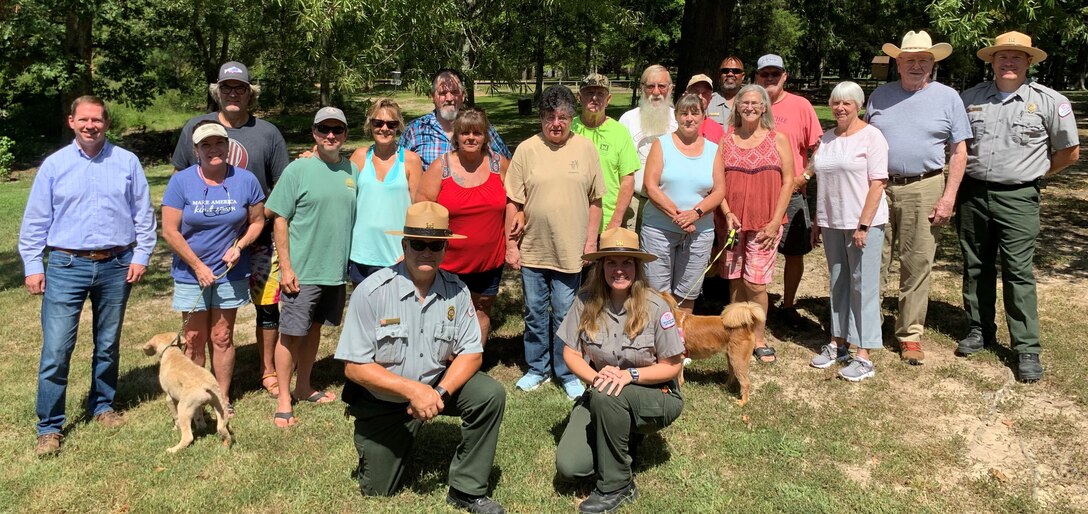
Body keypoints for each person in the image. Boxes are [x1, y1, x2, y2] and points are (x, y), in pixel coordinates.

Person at [335, 201, 506, 514]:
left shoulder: (457, 291)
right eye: (418, 243)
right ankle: (387, 442)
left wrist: (436, 394)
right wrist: (413, 391)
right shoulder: (372, 292)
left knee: (489, 394)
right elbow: (355, 367)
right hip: (383, 401)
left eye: (435, 244)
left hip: (435, 385)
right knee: (379, 491)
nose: (427, 251)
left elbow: (471, 353)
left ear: (445, 248)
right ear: (404, 244)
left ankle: (467, 489)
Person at [19, 96, 157, 456]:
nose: (90, 125)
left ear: (107, 123)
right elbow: (35, 220)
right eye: (84, 119)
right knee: (57, 349)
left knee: (108, 344)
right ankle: (49, 426)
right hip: (66, 265)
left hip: (116, 265)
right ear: (71, 122)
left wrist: (140, 255)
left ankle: (103, 406)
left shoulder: (127, 162)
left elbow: (143, 214)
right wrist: (33, 265)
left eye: (97, 120)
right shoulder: (54, 166)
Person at [955, 32, 1080, 381]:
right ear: (992, 61)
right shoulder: (970, 98)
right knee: (976, 265)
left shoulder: (1049, 101)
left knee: (1018, 271)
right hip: (973, 195)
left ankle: (1026, 347)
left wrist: (1035, 174)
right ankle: (980, 330)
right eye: (1002, 57)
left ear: (1029, 62)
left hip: (1019, 198)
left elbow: (1069, 152)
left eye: (1016, 57)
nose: (1008, 63)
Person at [172, 60, 291, 398]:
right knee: (205, 327)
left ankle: (267, 371)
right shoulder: (195, 127)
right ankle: (197, 385)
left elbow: (281, 186)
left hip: (259, 238)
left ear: (250, 93)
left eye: (240, 88)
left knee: (267, 306)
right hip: (209, 243)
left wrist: (253, 221)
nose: (233, 94)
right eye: (227, 88)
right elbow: (182, 182)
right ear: (218, 92)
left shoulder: (267, 133)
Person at [554, 227, 684, 514]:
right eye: (611, 262)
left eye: (627, 262)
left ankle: (617, 485)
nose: (619, 270)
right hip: (604, 390)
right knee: (571, 467)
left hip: (656, 393)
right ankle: (621, 436)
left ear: (637, 266)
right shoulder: (585, 300)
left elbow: (671, 366)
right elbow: (571, 353)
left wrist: (630, 376)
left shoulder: (655, 306)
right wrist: (597, 378)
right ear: (601, 267)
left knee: (607, 397)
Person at [867, 30, 971, 365]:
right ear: (898, 63)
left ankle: (909, 335)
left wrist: (948, 197)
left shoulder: (948, 98)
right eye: (910, 59)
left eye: (923, 60)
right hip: (880, 186)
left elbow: (959, 151)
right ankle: (868, 328)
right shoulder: (880, 96)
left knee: (917, 262)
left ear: (932, 63)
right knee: (873, 259)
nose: (916, 65)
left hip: (925, 186)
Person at [506, 85, 605, 400]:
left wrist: (592, 240)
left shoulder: (586, 149)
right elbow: (513, 201)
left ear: (571, 119)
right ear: (541, 118)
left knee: (565, 313)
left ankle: (567, 371)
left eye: (563, 117)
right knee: (534, 312)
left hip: (570, 249)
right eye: (550, 116)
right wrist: (510, 244)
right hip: (534, 248)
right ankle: (537, 368)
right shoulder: (526, 150)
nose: (556, 124)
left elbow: (595, 201)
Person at [162, 121, 266, 411]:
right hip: (190, 272)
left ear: (228, 146)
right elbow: (170, 230)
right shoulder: (181, 182)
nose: (213, 150)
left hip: (228, 273)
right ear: (195, 150)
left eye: (219, 143)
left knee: (222, 337)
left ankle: (222, 397)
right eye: (205, 145)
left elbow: (257, 221)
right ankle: (195, 396)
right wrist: (197, 266)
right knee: (194, 339)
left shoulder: (246, 180)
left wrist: (239, 246)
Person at [265, 107, 358, 427]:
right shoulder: (298, 170)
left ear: (345, 134)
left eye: (337, 130)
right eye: (323, 129)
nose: (330, 135)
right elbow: (278, 218)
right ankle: (283, 399)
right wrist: (286, 267)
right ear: (314, 133)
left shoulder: (351, 171)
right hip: (301, 271)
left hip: (334, 271)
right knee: (290, 334)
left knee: (315, 329)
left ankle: (304, 385)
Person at [808, 82, 890, 382]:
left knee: (863, 286)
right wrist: (818, 221)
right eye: (836, 103)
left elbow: (878, 183)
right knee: (838, 282)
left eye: (847, 103)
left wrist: (864, 225)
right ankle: (838, 342)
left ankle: (864, 354)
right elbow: (821, 181)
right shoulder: (827, 139)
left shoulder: (872, 137)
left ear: (859, 106)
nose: (840, 108)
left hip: (862, 224)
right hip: (832, 222)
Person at [418, 107, 513, 346]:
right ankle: (443, 362)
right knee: (445, 312)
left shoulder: (498, 164)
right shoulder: (441, 167)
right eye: (465, 133)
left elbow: (516, 199)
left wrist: (519, 215)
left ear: (485, 137)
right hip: (449, 261)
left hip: (489, 259)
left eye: (477, 133)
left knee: (481, 308)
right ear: (456, 136)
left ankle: (473, 362)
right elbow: (422, 203)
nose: (471, 138)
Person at [717, 84, 795, 363]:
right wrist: (726, 212)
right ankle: (737, 335)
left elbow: (788, 182)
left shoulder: (778, 139)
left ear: (764, 107)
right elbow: (719, 184)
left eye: (755, 103)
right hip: (733, 224)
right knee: (735, 280)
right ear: (736, 107)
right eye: (744, 102)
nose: (749, 107)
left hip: (765, 223)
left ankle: (759, 337)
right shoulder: (726, 140)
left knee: (756, 283)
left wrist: (775, 221)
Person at [753, 54, 822, 325]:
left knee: (793, 252)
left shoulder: (800, 106)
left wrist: (804, 175)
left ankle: (789, 304)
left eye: (775, 74)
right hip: (757, 194)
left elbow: (820, 147)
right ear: (757, 77)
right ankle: (757, 303)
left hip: (791, 192)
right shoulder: (751, 104)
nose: (769, 79)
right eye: (764, 74)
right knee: (755, 249)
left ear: (785, 76)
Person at [641, 93, 725, 315]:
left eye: (694, 113)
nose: (689, 118)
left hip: (699, 232)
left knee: (688, 291)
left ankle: (680, 343)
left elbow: (719, 191)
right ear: (676, 116)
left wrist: (695, 214)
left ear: (703, 117)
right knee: (656, 292)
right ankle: (657, 345)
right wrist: (678, 216)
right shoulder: (662, 144)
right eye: (683, 113)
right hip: (659, 230)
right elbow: (650, 186)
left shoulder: (713, 150)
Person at [347, 98, 423, 284]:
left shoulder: (411, 160)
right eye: (378, 122)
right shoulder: (359, 157)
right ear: (370, 125)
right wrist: (313, 156)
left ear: (398, 127)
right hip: (361, 255)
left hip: (396, 256)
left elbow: (419, 209)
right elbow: (341, 195)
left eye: (391, 123)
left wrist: (411, 250)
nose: (384, 128)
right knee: (365, 310)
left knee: (394, 312)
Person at [400, 69, 512, 168]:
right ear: (433, 97)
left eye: (454, 92)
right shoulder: (414, 130)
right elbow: (397, 168)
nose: (449, 98)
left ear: (463, 95)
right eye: (443, 93)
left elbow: (508, 163)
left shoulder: (481, 127)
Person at [572, 73, 640, 232]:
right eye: (589, 93)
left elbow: (628, 181)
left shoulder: (619, 132)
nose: (595, 98)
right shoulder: (569, 128)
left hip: (607, 221)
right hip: (573, 219)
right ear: (579, 97)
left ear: (608, 99)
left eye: (600, 94)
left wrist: (616, 221)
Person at [619, 65, 678, 232]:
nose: (656, 92)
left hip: (668, 203)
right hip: (634, 201)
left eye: (662, 86)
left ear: (671, 88)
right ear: (642, 88)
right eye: (650, 86)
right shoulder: (628, 119)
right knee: (630, 254)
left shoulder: (678, 119)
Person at [684, 74, 726, 143]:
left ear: (710, 98)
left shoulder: (717, 130)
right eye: (695, 92)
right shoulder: (675, 123)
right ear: (686, 95)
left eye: (705, 93)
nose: (700, 97)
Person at [709, 56, 745, 125]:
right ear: (720, 75)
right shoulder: (709, 101)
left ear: (743, 76)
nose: (730, 74)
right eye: (725, 71)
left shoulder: (751, 102)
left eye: (735, 71)